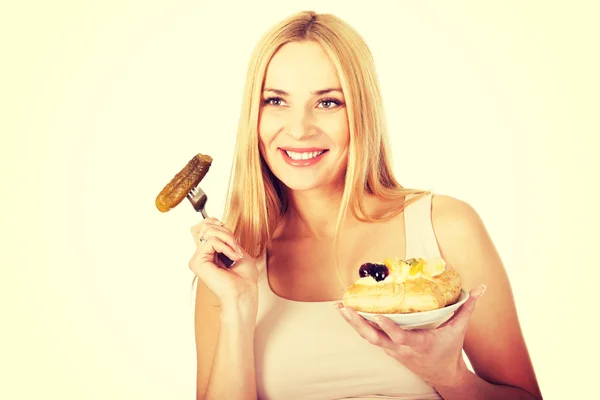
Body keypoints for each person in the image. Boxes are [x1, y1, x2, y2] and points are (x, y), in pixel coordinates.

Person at [188, 10, 542, 400]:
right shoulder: (228, 267)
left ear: (362, 112)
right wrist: (238, 308)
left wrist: (450, 376)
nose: (299, 128)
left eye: (328, 103)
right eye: (275, 100)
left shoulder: (445, 228)